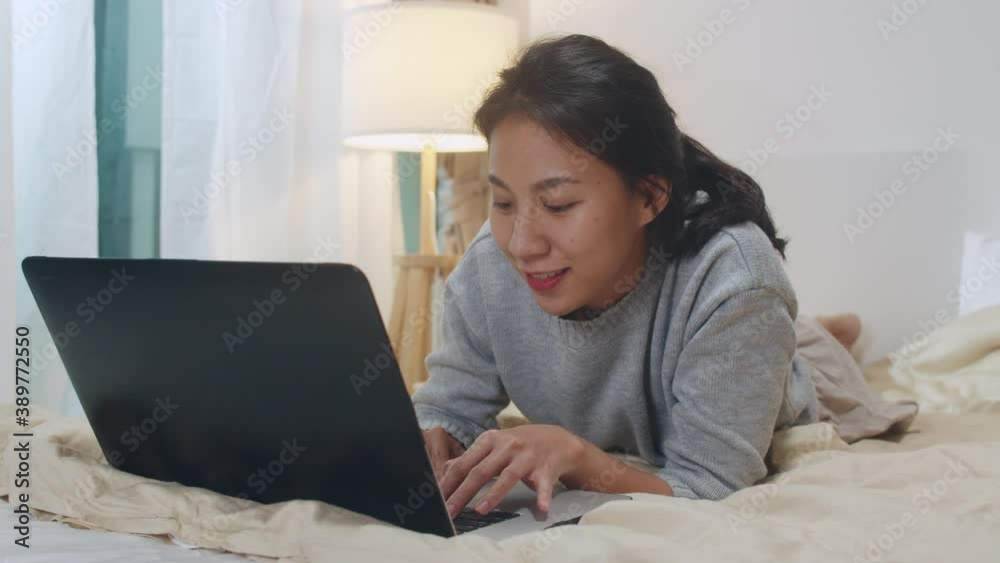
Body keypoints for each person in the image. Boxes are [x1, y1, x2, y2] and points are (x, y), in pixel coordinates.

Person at [412, 34, 895, 520]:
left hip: (782, 371)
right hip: (731, 337)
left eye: (558, 205)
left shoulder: (736, 285)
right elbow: (450, 406)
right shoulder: (492, 263)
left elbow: (711, 483)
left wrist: (577, 456)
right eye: (503, 202)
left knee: (816, 367)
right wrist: (438, 436)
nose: (521, 244)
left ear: (648, 198)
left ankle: (828, 336)